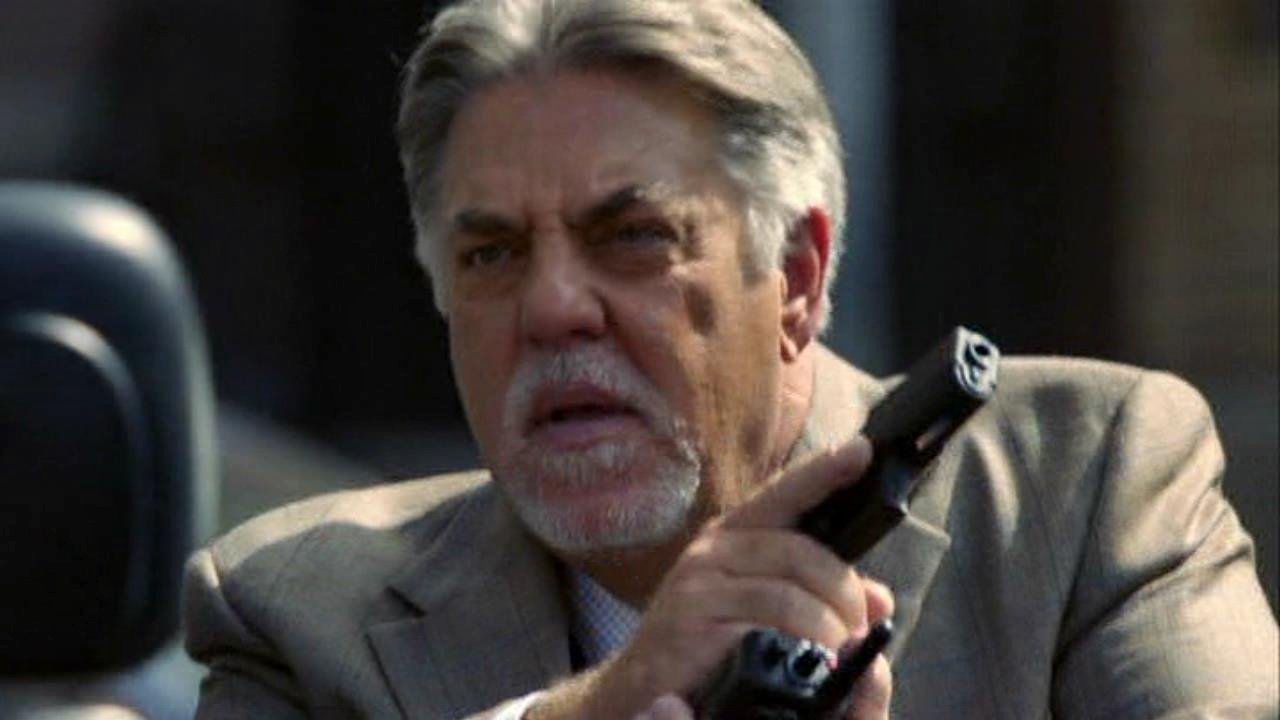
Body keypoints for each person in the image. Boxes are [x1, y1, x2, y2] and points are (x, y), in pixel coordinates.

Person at [182, 1, 1279, 718]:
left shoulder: (1078, 495)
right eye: (493, 254)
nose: (552, 307)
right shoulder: (296, 611)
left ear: (795, 276)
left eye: (632, 236)